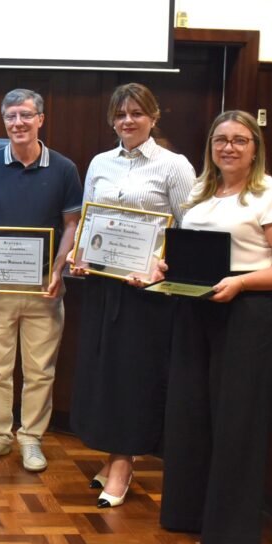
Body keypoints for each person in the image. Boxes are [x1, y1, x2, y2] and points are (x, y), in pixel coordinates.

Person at [159, 111, 272, 544]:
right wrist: (166, 267)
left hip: (246, 311)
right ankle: (187, 513)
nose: (229, 147)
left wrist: (240, 282)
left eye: (240, 140)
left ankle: (229, 531)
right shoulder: (202, 193)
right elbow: (188, 251)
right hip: (195, 310)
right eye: (220, 139)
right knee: (190, 414)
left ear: (255, 147)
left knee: (237, 421)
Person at [69, 84, 195, 507]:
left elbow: (189, 231)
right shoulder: (100, 163)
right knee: (105, 372)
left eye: (137, 113)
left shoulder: (174, 167)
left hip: (147, 293)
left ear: (154, 117)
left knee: (133, 376)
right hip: (104, 287)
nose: (128, 120)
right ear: (111, 120)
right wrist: (79, 254)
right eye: (120, 114)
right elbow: (90, 220)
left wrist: (160, 264)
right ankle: (113, 455)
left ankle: (123, 464)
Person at [0, 89, 82, 473]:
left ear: (40, 119)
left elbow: (71, 225)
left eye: (26, 115)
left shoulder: (64, 168)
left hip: (43, 286)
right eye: (11, 117)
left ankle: (31, 438)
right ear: (4, 121)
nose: (18, 123)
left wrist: (59, 270)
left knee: (40, 370)